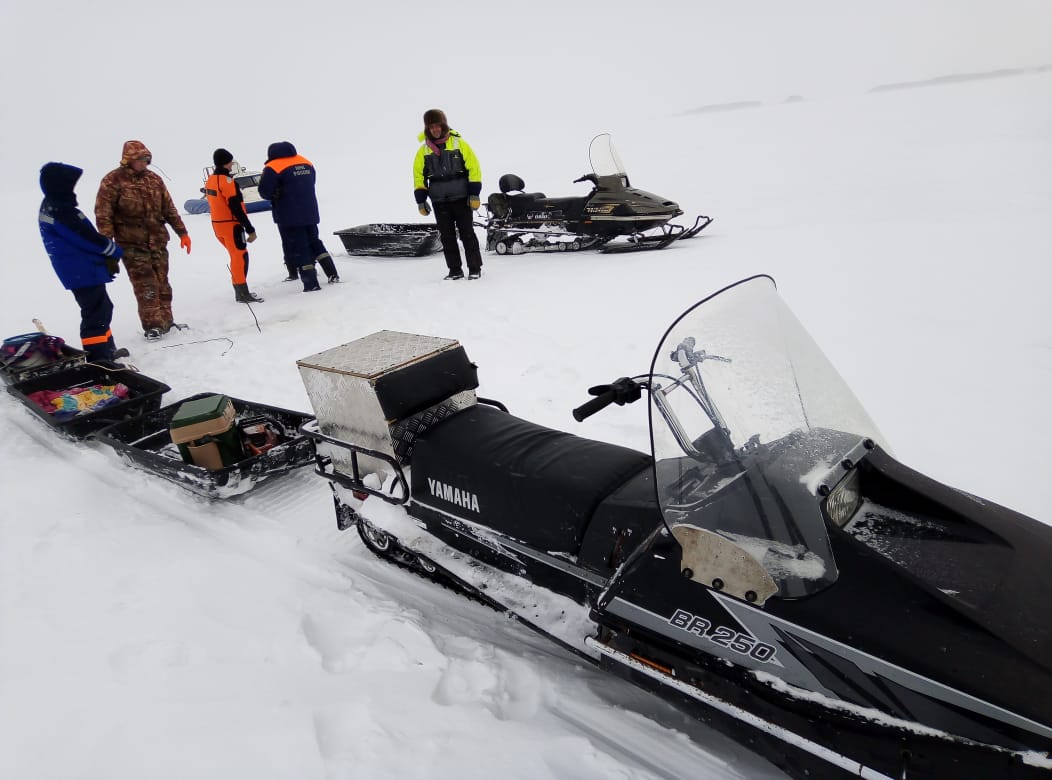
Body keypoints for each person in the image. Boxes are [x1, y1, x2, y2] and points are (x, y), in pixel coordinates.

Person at [95, 140, 192, 341]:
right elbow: (103, 216)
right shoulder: (112, 181)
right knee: (146, 285)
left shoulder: (154, 179)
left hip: (158, 242)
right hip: (132, 245)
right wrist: (108, 247)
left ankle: (167, 321)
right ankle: (152, 326)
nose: (144, 162)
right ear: (128, 159)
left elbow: (168, 208)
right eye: (139, 159)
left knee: (163, 283)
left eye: (146, 159)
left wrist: (182, 232)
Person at [38, 162, 129, 363]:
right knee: (95, 313)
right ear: (59, 185)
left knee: (103, 308)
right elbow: (85, 237)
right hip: (80, 271)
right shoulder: (59, 210)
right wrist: (112, 251)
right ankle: (99, 359)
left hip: (84, 268)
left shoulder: (59, 206)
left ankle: (106, 351)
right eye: (69, 184)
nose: (73, 188)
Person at [257, 141, 340, 291]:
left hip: (289, 215)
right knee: (315, 242)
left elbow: (264, 192)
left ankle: (311, 283)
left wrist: (278, 193)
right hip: (310, 212)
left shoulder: (273, 167)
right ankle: (332, 273)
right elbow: (311, 182)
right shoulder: (306, 162)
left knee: (300, 248)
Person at [413, 109, 483, 280]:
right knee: (447, 237)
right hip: (439, 201)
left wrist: (474, 194)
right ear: (428, 129)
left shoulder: (459, 144)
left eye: (437, 126)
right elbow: (418, 176)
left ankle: (475, 268)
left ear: (443, 126)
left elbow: (474, 168)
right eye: (431, 127)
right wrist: (421, 200)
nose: (435, 129)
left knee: (467, 234)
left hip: (462, 198)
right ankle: (455, 270)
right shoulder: (423, 151)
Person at [205, 148, 263, 303]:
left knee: (236, 256)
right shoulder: (228, 182)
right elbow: (236, 207)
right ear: (226, 162)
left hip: (217, 226)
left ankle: (240, 291)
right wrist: (250, 229)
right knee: (240, 257)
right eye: (230, 161)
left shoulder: (211, 180)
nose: (232, 164)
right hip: (231, 226)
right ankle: (242, 293)